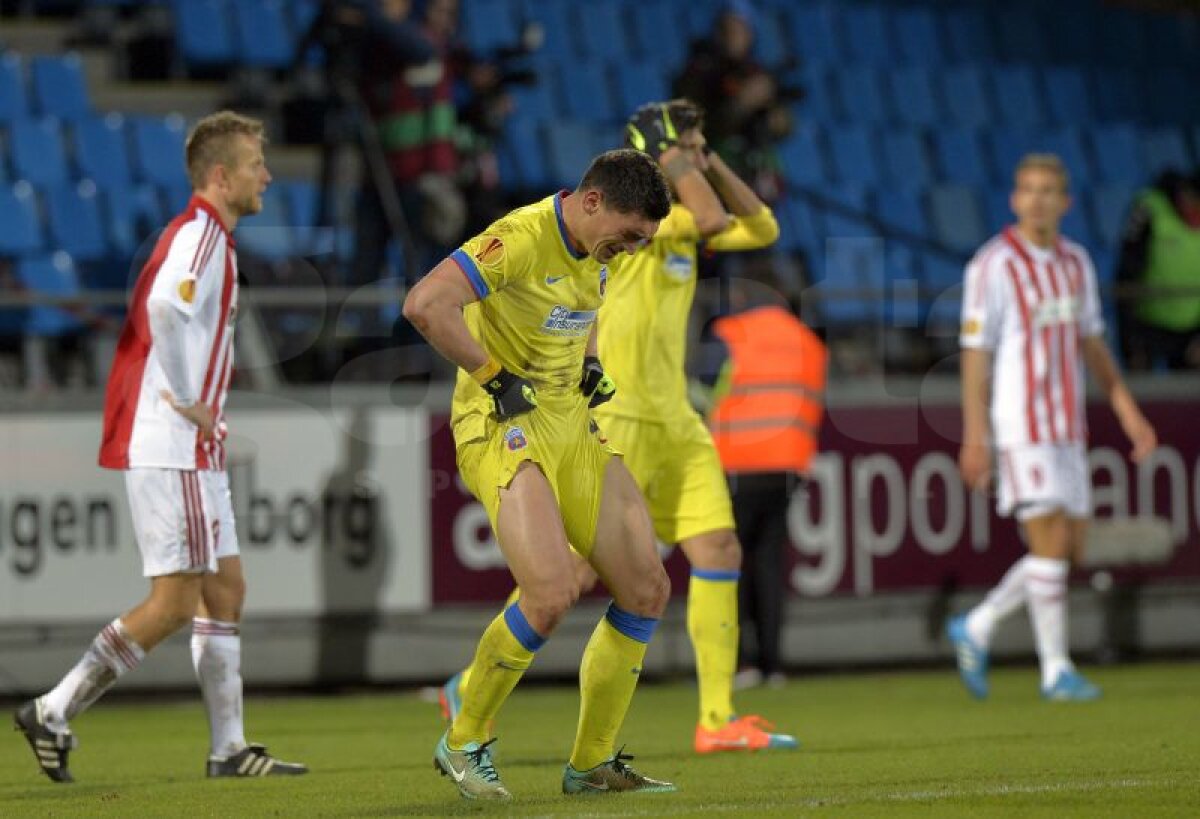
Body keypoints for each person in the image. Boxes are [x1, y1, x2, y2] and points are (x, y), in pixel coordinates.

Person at [437, 100, 798, 755]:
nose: (637, 243)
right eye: (689, 142)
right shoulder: (649, 224)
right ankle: (471, 685)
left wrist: (704, 156)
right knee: (570, 580)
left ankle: (714, 717)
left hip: (676, 415)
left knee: (716, 550)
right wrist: (677, 157)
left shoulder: (663, 226)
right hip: (618, 411)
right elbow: (716, 216)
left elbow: (764, 225)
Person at [12, 111, 307, 782]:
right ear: (221, 175)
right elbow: (166, 312)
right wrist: (187, 396)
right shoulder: (202, 235)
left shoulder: (209, 238)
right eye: (257, 163)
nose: (267, 174)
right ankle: (54, 708)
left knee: (225, 588)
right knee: (174, 601)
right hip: (174, 443)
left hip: (186, 447)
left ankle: (228, 748)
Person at [403, 148, 676, 800]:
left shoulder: (594, 250)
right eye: (631, 234)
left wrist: (590, 362)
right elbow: (424, 304)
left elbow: (576, 315)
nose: (633, 249)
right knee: (550, 592)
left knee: (646, 587)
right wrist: (493, 375)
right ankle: (464, 737)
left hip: (571, 424)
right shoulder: (520, 238)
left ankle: (590, 764)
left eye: (644, 240)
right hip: (503, 423)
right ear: (591, 203)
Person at [946, 154, 1158, 702]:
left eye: (1048, 191)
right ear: (1014, 199)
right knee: (1048, 541)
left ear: (1066, 202)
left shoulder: (1075, 263)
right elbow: (975, 354)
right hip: (1021, 423)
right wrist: (976, 434)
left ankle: (981, 623)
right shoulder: (992, 265)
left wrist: (1127, 408)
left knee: (1071, 548)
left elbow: (1092, 342)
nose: (1037, 199)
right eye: (1027, 190)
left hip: (1068, 425)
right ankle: (1055, 670)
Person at [695, 275, 826, 691]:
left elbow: (701, 391)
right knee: (769, 566)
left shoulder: (730, 333)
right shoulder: (809, 342)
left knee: (729, 563)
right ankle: (774, 665)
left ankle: (740, 663)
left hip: (734, 463)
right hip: (787, 465)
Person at [1115, 169, 1200, 371]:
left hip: (1192, 330)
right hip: (1145, 325)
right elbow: (1126, 275)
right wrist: (1130, 343)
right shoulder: (1149, 208)